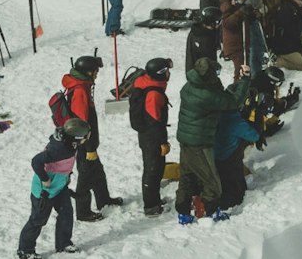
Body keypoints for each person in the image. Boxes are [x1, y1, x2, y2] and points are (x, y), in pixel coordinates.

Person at [53, 54, 119, 219]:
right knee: (85, 175)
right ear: (88, 72)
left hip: (88, 142)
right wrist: (90, 148)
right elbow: (81, 125)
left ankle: (104, 200)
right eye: (96, 71)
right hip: (84, 143)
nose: (97, 74)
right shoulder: (80, 90)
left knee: (97, 172)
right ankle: (83, 212)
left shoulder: (81, 85)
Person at [174, 58, 235, 225]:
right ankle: (212, 211)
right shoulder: (208, 95)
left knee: (187, 176)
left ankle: (183, 213)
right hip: (199, 143)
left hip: (185, 140)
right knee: (211, 179)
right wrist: (244, 80)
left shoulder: (188, 87)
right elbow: (232, 102)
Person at [20, 118, 88, 259]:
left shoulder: (69, 143)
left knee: (66, 213)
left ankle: (63, 243)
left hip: (60, 187)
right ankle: (25, 251)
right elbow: (36, 161)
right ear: (76, 138)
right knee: (38, 220)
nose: (86, 139)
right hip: (44, 191)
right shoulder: (58, 149)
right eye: (85, 136)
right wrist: (45, 179)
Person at [128, 57, 173, 216]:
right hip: (151, 137)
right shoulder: (153, 93)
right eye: (167, 71)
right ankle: (151, 206)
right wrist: (162, 142)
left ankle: (154, 199)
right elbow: (154, 121)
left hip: (149, 135)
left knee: (157, 168)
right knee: (153, 170)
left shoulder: (148, 84)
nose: (169, 74)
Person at [187, 6, 222, 74]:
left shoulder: (198, 31)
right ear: (212, 23)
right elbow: (206, 61)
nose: (218, 25)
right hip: (201, 75)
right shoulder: (203, 38)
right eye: (217, 22)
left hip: (197, 73)